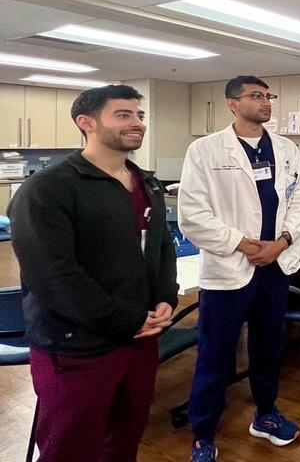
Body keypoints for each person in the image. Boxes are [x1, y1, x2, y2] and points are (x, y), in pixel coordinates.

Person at [8, 85, 178, 462]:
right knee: (71, 446)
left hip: (139, 337)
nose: (137, 123)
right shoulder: (48, 189)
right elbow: (52, 275)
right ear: (86, 123)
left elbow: (161, 247)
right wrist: (127, 318)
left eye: (139, 115)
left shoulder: (145, 182)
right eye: (123, 114)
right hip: (76, 345)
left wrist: (166, 296)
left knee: (125, 436)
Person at [178, 75, 300, 461]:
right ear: (232, 104)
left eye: (268, 95)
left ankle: (266, 415)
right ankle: (203, 434)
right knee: (216, 354)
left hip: (273, 267)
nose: (266, 102)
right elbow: (192, 214)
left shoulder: (286, 149)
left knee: (269, 347)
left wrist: (282, 242)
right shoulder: (205, 151)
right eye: (256, 96)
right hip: (228, 269)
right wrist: (240, 243)